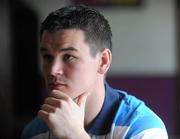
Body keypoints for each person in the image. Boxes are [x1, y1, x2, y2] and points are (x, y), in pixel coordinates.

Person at [22, 4, 168, 139]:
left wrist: (75, 135)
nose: (53, 70)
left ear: (103, 61)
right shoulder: (34, 132)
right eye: (47, 57)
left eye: (68, 57)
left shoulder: (143, 129)